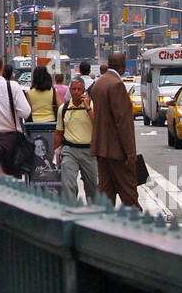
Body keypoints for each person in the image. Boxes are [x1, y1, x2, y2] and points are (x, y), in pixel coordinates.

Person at [89, 50, 139, 208]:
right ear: (123, 66)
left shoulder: (99, 83)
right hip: (117, 151)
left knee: (106, 193)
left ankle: (104, 227)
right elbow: (122, 121)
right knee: (129, 192)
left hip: (101, 148)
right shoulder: (116, 85)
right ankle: (137, 227)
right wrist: (130, 152)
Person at [53, 76, 98, 204]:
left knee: (92, 187)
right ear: (70, 90)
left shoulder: (91, 105)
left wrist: (88, 107)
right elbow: (58, 132)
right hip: (70, 150)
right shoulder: (64, 108)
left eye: (79, 89)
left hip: (89, 151)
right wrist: (55, 152)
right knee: (68, 183)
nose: (76, 92)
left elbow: (98, 125)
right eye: (73, 89)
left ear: (84, 90)